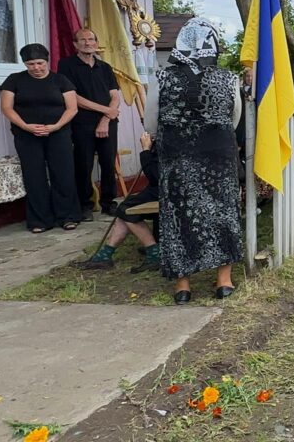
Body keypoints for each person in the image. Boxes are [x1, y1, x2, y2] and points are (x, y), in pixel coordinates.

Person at [144, 17, 242, 305]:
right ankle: (224, 281)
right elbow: (233, 119)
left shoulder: (160, 78)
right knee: (223, 212)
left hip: (177, 156)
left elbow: (151, 121)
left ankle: (183, 286)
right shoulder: (228, 78)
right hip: (218, 156)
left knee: (179, 216)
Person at [0, 43, 81, 233]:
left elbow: (72, 108)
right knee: (34, 176)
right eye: (30, 64)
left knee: (63, 175)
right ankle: (39, 220)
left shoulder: (61, 80)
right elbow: (6, 108)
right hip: (26, 135)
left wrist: (56, 126)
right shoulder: (14, 80)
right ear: (25, 64)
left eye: (39, 63)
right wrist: (25, 126)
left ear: (47, 61)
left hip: (58, 133)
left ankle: (68, 216)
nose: (36, 68)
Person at [59, 28, 120, 221]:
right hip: (82, 123)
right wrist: (105, 110)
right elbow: (73, 97)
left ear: (96, 42)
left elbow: (115, 96)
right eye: (82, 40)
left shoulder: (105, 67)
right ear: (75, 44)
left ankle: (109, 203)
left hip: (108, 123)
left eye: (91, 39)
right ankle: (85, 205)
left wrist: (106, 119)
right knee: (83, 164)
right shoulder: (66, 65)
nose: (87, 43)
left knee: (108, 163)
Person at [83, 131, 162, 272]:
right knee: (125, 208)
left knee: (125, 209)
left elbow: (155, 176)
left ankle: (154, 253)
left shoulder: (167, 141)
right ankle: (105, 254)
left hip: (164, 190)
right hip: (164, 189)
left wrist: (145, 150)